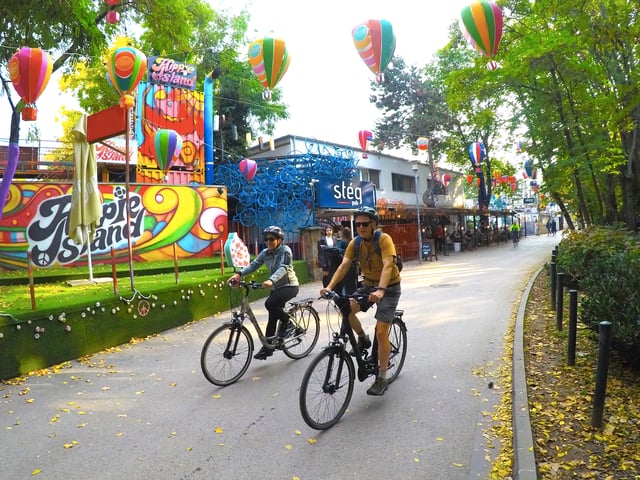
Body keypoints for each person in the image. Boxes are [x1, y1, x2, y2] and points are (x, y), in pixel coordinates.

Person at [320, 206, 401, 396]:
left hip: (388, 288)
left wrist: (381, 289)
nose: (361, 227)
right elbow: (344, 265)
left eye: (365, 224)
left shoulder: (384, 239)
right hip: (368, 285)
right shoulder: (355, 243)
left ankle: (381, 377)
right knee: (345, 309)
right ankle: (362, 338)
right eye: (358, 224)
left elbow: (388, 265)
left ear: (373, 224)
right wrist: (329, 287)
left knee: (381, 332)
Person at [229, 226, 299, 360]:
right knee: (272, 317)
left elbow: (284, 268)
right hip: (276, 287)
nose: (268, 242)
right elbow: (254, 265)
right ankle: (268, 348)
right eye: (266, 239)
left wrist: (271, 280)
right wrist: (238, 274)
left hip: (289, 286)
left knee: (270, 304)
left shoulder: (286, 251)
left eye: (271, 239)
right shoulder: (265, 252)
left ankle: (289, 323)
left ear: (279, 240)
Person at [336, 227, 358, 295]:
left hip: (345, 264)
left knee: (345, 281)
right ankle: (353, 295)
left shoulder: (342, 242)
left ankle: (345, 296)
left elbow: (336, 250)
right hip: (353, 264)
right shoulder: (352, 241)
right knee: (353, 282)